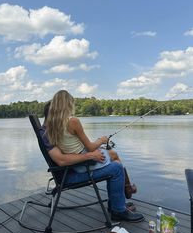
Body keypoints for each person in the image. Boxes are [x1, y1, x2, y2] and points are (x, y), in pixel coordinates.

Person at [41, 91, 144, 222]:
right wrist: (101, 140)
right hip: (84, 165)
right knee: (117, 167)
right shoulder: (73, 121)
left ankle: (119, 200)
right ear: (68, 104)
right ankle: (119, 208)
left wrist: (92, 149)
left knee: (112, 154)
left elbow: (71, 145)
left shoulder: (51, 126)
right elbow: (90, 147)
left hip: (78, 163)